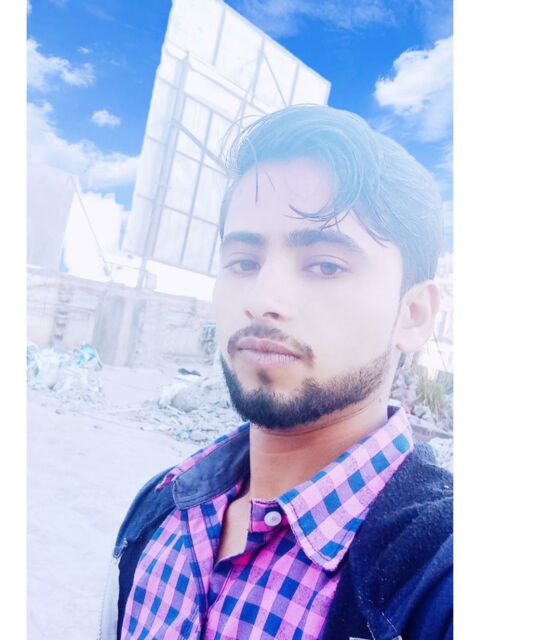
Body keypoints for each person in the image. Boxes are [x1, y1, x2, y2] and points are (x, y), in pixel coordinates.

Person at [98, 106, 453, 640]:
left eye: (326, 266)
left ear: (414, 314)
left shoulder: (440, 581)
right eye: (244, 262)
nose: (263, 299)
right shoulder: (160, 510)